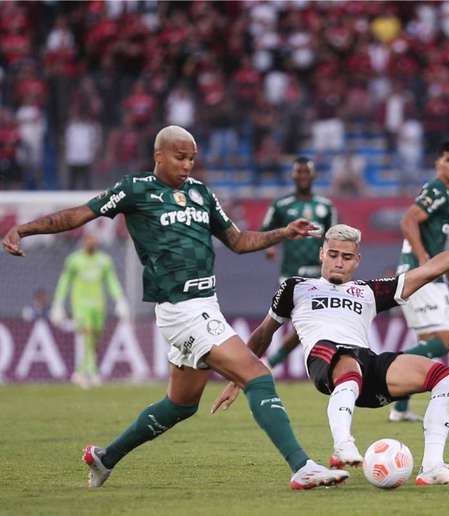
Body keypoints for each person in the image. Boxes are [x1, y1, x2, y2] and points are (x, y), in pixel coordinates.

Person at [2, 126, 347, 490]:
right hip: (181, 308)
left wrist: (282, 232)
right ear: (159, 156)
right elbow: (79, 214)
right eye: (180, 157)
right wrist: (23, 229)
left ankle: (106, 458)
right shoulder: (135, 189)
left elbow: (239, 241)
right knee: (257, 375)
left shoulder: (201, 193)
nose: (187, 165)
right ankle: (301, 466)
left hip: (204, 306)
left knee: (181, 404)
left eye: (192, 159)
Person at [211, 214, 449, 485]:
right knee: (348, 362)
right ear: (321, 255)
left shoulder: (369, 291)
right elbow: (263, 334)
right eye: (332, 254)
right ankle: (343, 444)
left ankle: (433, 466)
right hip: (325, 359)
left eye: (346, 256)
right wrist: (238, 377)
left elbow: (429, 270)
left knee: (444, 375)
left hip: (364, 364)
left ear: (356, 260)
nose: (338, 261)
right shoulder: (295, 288)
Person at [391, 141, 449, 422]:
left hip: (420, 271)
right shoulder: (437, 189)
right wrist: (426, 261)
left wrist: (447, 270)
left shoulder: (444, 193)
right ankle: (388, 367)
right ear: (438, 163)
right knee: (444, 341)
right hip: (421, 273)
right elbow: (408, 220)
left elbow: (428, 237)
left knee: (426, 342)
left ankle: (399, 409)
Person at [261, 157, 338, 369]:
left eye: (307, 172)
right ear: (293, 175)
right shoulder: (281, 205)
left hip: (320, 274)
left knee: (309, 322)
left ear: (313, 176)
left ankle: (271, 363)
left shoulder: (326, 206)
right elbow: (266, 230)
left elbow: (335, 237)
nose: (303, 176)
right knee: (299, 320)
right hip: (291, 273)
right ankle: (268, 361)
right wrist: (270, 246)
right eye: (299, 172)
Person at [51, 233, 129, 388]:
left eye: (93, 240)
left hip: (99, 305)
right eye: (88, 240)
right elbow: (64, 282)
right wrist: (58, 303)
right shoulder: (74, 260)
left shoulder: (104, 260)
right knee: (87, 334)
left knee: (95, 339)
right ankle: (92, 373)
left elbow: (111, 281)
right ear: (83, 242)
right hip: (81, 305)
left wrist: (120, 299)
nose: (90, 243)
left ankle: (80, 372)